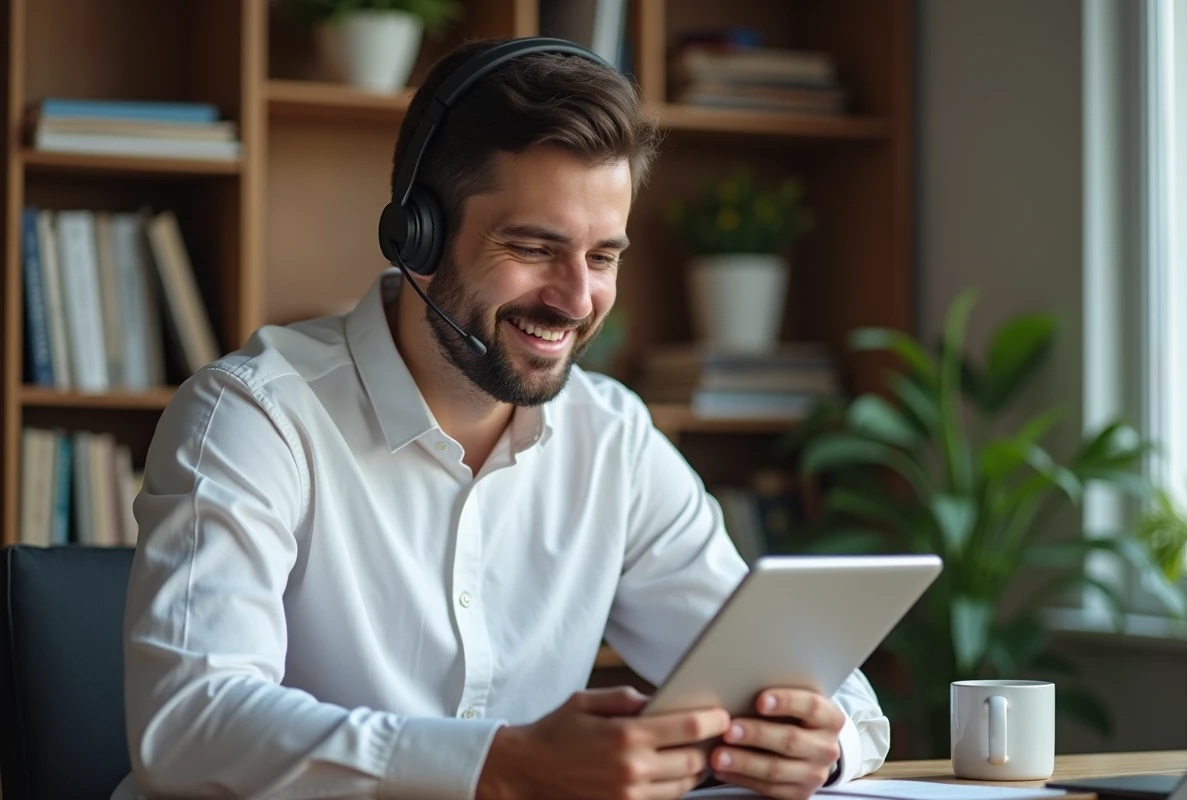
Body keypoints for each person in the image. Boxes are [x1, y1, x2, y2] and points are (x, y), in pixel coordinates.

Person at [114, 37, 890, 800]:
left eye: (603, 256)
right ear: (415, 236)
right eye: (533, 246)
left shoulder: (611, 438)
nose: (578, 300)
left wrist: (819, 746)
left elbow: (829, 695)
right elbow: (189, 728)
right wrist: (495, 765)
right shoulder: (255, 416)